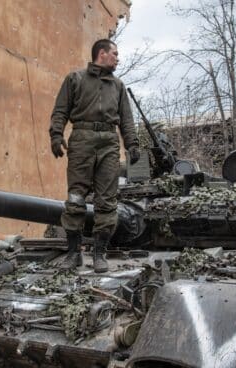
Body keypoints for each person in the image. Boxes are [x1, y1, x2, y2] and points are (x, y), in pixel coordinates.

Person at [49, 39, 140, 273]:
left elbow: (127, 120)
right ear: (102, 54)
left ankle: (100, 254)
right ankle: (73, 254)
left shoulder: (118, 86)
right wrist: (56, 135)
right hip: (81, 139)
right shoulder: (75, 79)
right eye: (115, 54)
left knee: (107, 201)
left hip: (109, 142)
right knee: (76, 198)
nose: (117, 58)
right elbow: (61, 110)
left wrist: (132, 144)